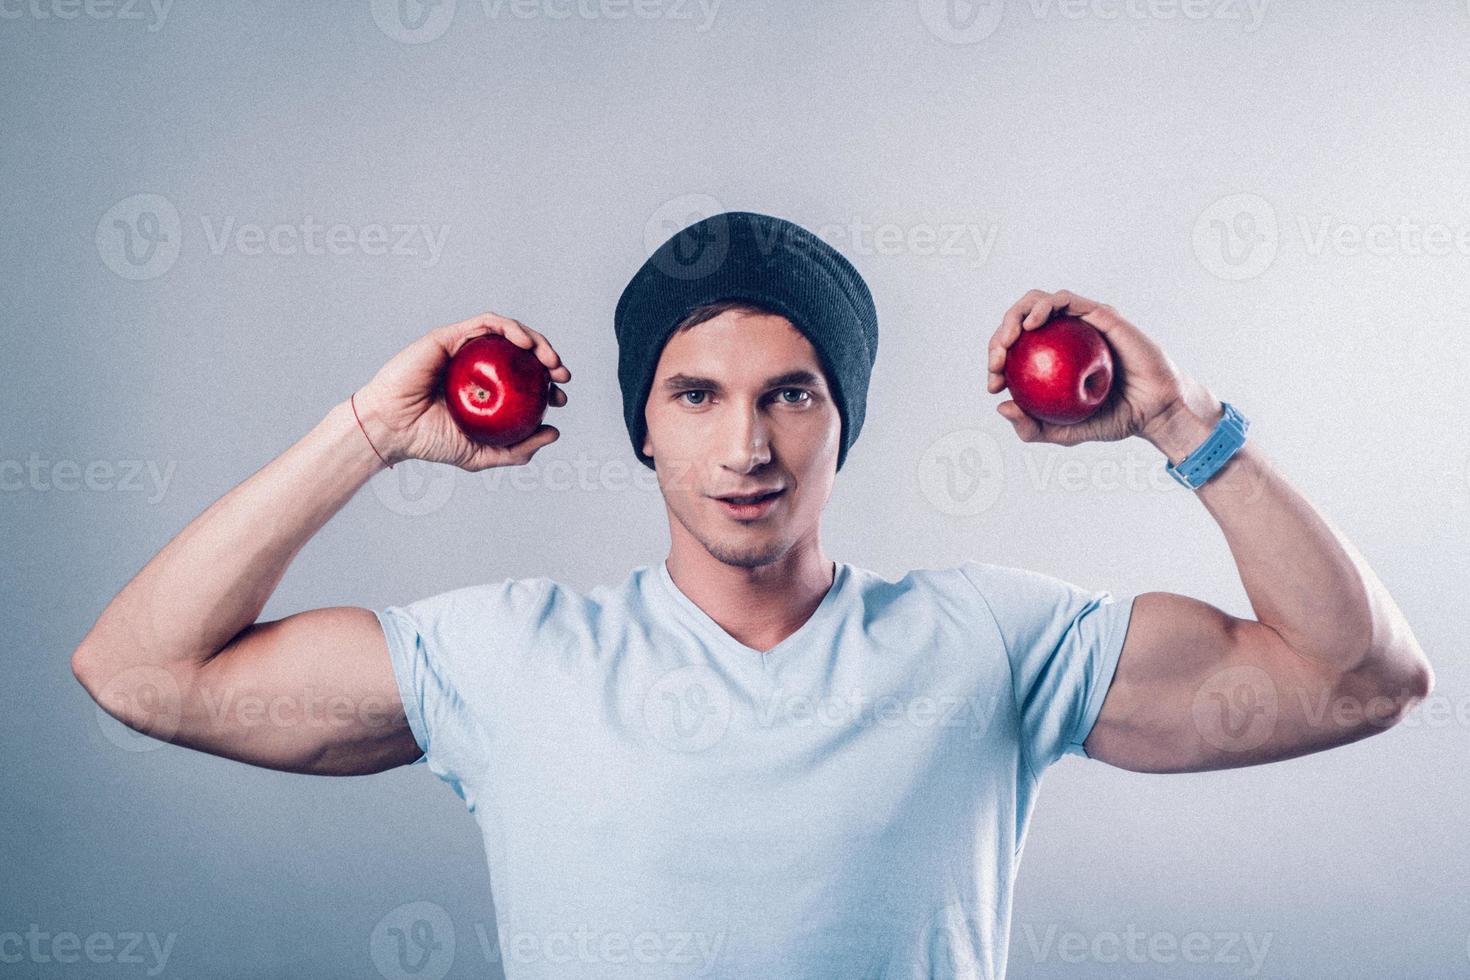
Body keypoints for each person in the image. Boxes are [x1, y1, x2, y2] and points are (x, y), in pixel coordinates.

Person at [72, 211, 1433, 979]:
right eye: (695, 396)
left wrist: (1183, 423)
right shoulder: (505, 659)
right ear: (642, 427)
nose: (745, 448)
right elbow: (141, 674)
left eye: (792, 394)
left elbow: (1358, 678)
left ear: (843, 421)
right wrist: (365, 431)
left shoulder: (994, 641)